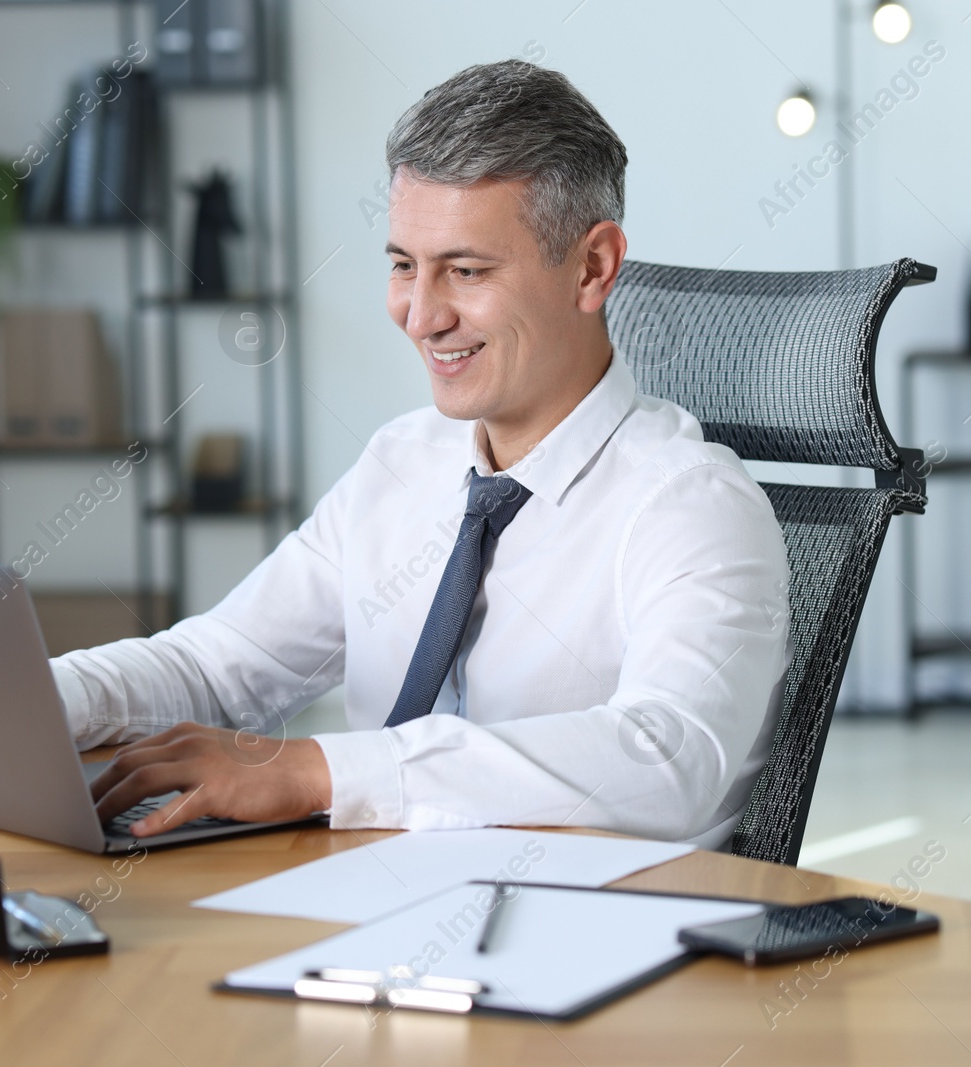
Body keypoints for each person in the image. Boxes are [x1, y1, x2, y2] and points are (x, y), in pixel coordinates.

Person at [63, 60, 790, 850]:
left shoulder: (693, 503)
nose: (420, 315)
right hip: (368, 907)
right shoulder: (402, 463)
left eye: (466, 271)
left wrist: (319, 773)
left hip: (590, 941)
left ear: (592, 267)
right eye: (404, 264)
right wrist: (28, 702)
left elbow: (667, 759)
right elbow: (218, 671)